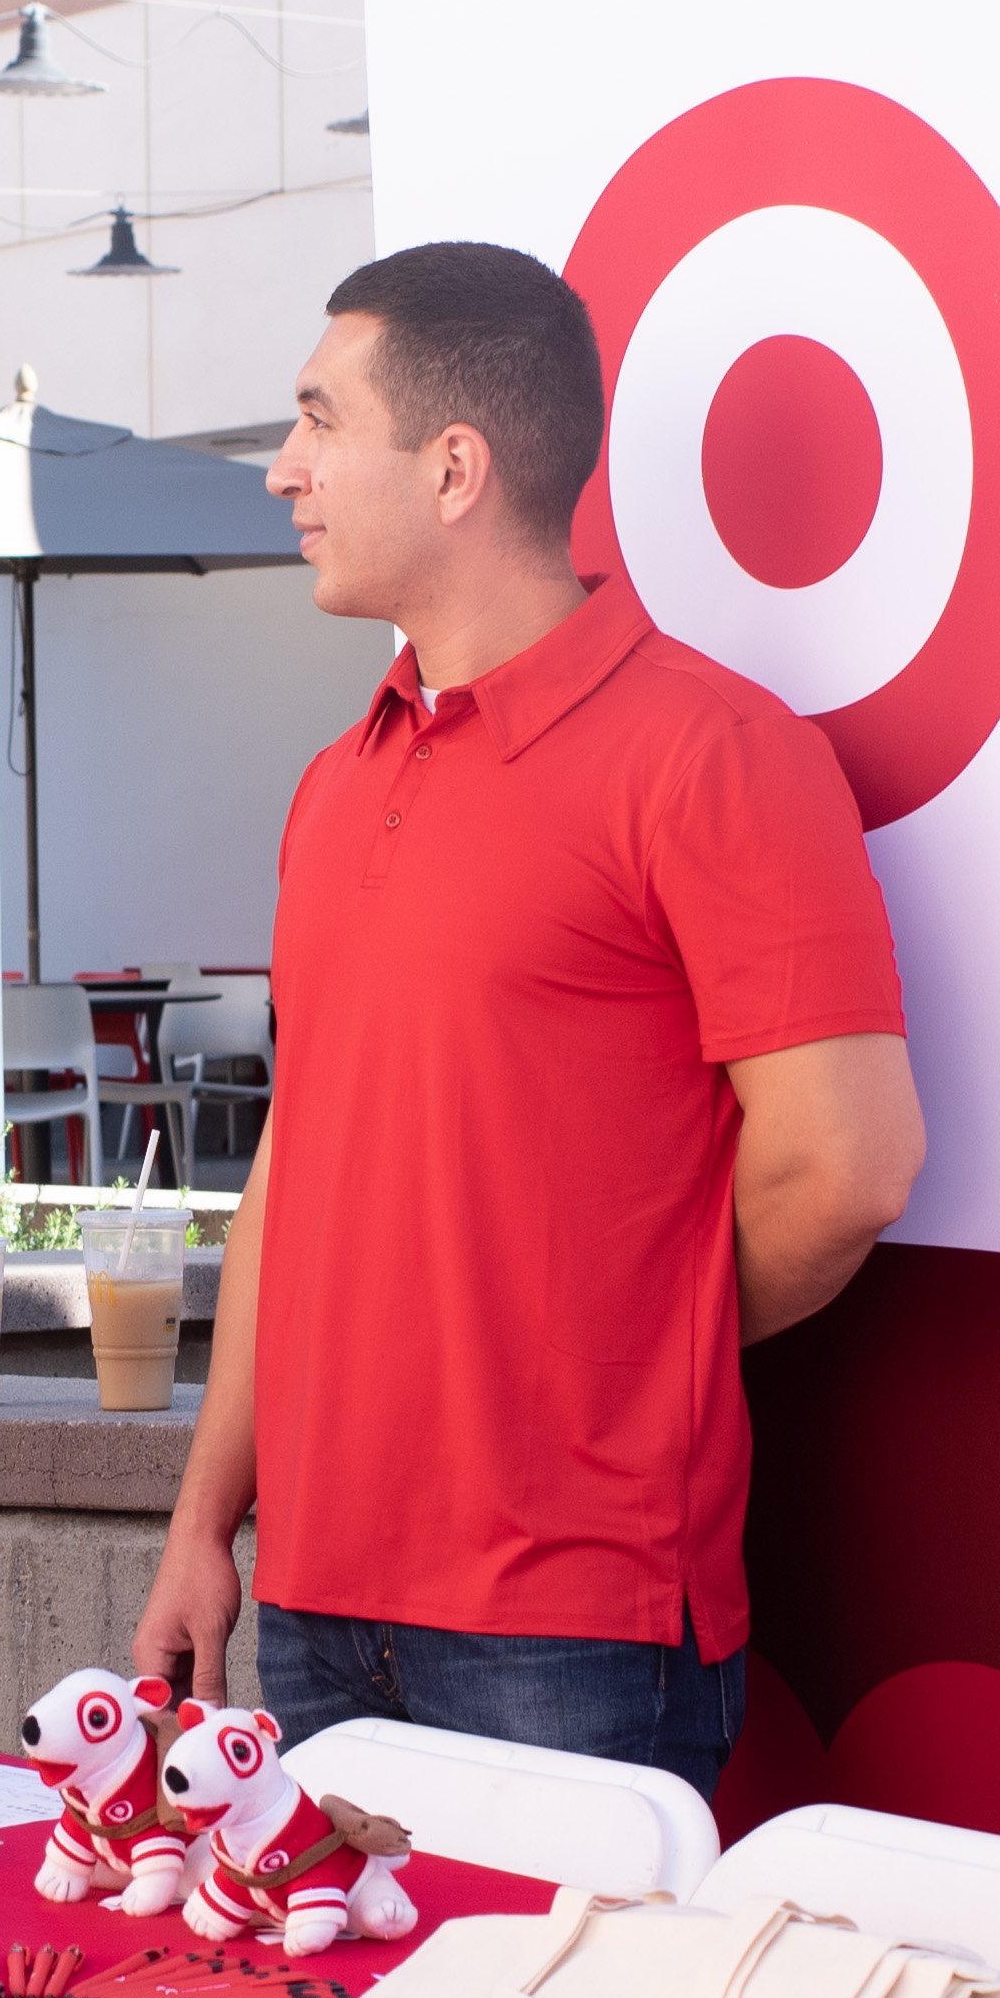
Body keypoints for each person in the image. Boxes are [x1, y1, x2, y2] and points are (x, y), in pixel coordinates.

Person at [128, 244, 925, 1798]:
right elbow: (302, 1159)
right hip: (316, 1601)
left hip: (573, 1620)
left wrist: (622, 1351)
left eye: (315, 419)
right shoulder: (335, 779)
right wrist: (200, 1525)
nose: (282, 470)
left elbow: (852, 1165)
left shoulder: (714, 755)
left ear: (453, 467)